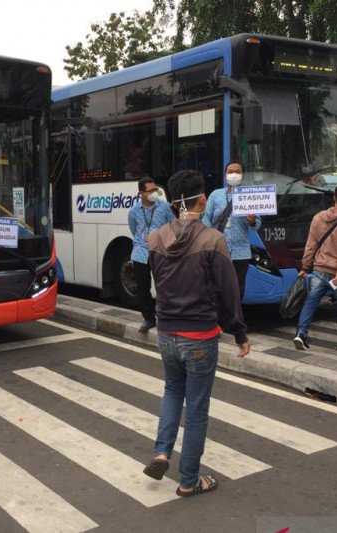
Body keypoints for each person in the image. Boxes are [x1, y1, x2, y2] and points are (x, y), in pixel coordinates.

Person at [142, 169, 250, 498]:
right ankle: (189, 480)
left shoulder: (156, 238)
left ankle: (162, 451)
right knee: (197, 408)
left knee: (172, 391)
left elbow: (157, 284)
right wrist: (240, 333)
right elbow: (229, 292)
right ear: (202, 199)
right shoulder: (212, 240)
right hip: (199, 335)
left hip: (166, 332)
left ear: (173, 202)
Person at [293, 184, 337, 353]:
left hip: (319, 268)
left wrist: (305, 267)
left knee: (311, 300)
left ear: (334, 198)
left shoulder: (318, 217)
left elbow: (310, 244)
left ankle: (301, 333)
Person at [202, 162, 261, 297]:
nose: (233, 174)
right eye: (230, 171)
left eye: (237, 172)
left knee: (238, 290)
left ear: (242, 175)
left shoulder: (249, 195)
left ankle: (235, 317)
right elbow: (206, 220)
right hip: (218, 250)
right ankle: (220, 317)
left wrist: (252, 221)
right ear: (225, 175)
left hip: (241, 252)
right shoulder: (215, 195)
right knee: (217, 288)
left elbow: (257, 224)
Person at [128, 177, 175, 333]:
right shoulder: (134, 211)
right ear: (141, 193)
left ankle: (165, 318)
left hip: (160, 252)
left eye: (155, 190)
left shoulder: (165, 207)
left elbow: (174, 226)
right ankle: (149, 319)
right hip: (140, 253)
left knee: (164, 288)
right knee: (143, 288)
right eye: (150, 191)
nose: (154, 193)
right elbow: (134, 229)